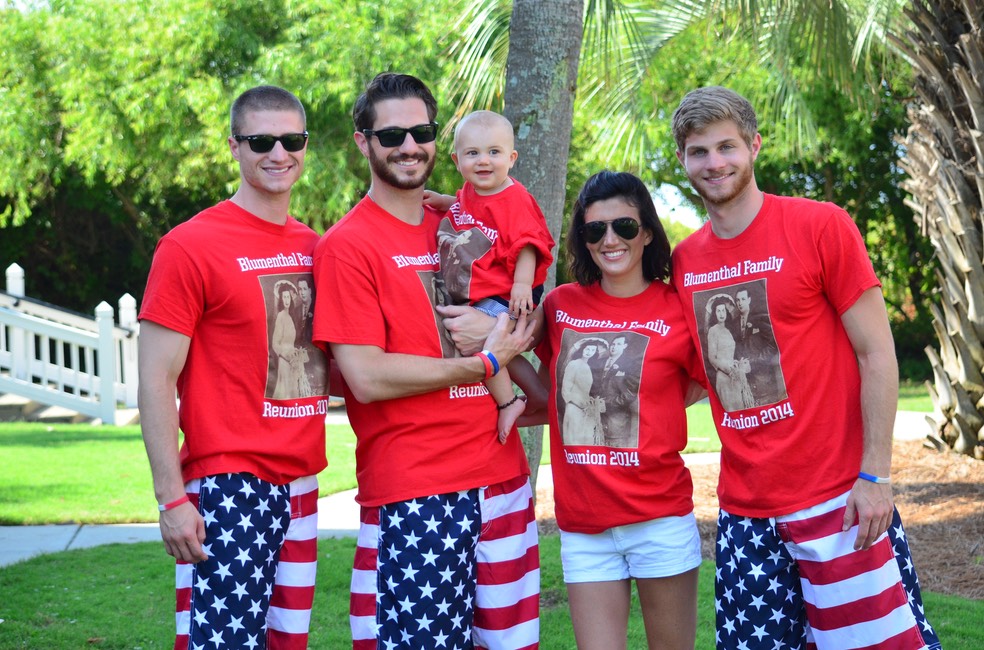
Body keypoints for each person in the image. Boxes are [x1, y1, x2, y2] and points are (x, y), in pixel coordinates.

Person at [670, 86, 940, 649]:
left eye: (727, 147)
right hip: (746, 515)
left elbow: (876, 352)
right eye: (699, 151)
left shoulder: (820, 226)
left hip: (839, 502)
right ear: (683, 160)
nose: (714, 163)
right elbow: (697, 376)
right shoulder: (685, 261)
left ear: (754, 147)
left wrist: (875, 477)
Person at [312, 72, 540, 650]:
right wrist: (485, 364)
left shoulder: (465, 222)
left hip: (503, 481)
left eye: (422, 131)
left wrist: (498, 334)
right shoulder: (347, 245)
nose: (409, 145)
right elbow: (365, 377)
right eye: (391, 134)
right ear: (363, 141)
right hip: (415, 492)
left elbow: (524, 324)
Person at [137, 85, 329, 649]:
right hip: (228, 484)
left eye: (291, 139)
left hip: (302, 482)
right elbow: (154, 381)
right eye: (261, 140)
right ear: (234, 146)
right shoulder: (189, 246)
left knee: (286, 642)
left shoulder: (314, 246)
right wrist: (172, 500)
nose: (278, 153)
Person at [529, 171, 706, 649]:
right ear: (583, 240)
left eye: (624, 226)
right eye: (595, 229)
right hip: (585, 526)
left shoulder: (678, 308)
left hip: (659, 521)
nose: (610, 239)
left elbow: (701, 385)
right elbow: (544, 392)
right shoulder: (561, 306)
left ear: (646, 232)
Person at [424, 110, 555, 440]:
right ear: (457, 160)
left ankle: (508, 400)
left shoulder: (514, 199)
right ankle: (538, 396)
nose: (484, 161)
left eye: (494, 152)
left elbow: (528, 244)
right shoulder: (471, 190)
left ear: (511, 158)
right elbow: (463, 207)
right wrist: (442, 201)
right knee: (501, 348)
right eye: (473, 153)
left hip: (512, 288)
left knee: (484, 343)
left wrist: (523, 285)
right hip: (493, 289)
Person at [733, 286, 784, 405]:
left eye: (743, 299)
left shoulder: (760, 318)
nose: (740, 303)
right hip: (744, 383)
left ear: (749, 300)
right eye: (738, 300)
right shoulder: (734, 323)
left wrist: (754, 362)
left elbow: (773, 345)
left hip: (764, 380)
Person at [704, 294, 753, 411]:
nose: (721, 313)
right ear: (715, 314)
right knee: (732, 412)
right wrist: (728, 368)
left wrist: (737, 364)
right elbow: (712, 357)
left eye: (723, 310)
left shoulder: (728, 331)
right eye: (718, 311)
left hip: (735, 376)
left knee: (742, 410)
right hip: (724, 377)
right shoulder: (713, 330)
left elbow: (730, 353)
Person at [560, 337, 608, 445]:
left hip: (585, 409)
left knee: (585, 441)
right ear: (582, 349)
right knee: (573, 439)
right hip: (574, 407)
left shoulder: (588, 367)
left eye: (592, 350)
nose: (588, 352)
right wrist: (574, 402)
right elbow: (566, 388)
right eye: (587, 349)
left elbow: (585, 389)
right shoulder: (574, 364)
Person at [598, 333, 640, 447]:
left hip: (616, 421)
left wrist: (607, 403)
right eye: (613, 344)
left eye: (618, 344)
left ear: (624, 346)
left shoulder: (630, 364)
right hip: (595, 418)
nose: (614, 346)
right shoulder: (600, 362)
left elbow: (630, 394)